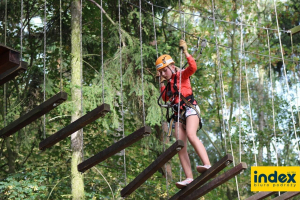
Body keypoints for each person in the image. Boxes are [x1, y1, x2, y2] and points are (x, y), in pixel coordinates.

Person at [156, 39, 211, 189]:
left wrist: (186, 52)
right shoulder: (168, 84)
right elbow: (165, 98)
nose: (163, 73)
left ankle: (207, 164)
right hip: (178, 114)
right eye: (161, 72)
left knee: (191, 134)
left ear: (172, 67)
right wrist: (161, 82)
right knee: (179, 145)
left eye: (164, 70)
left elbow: (193, 67)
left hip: (190, 108)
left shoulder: (181, 75)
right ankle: (189, 177)